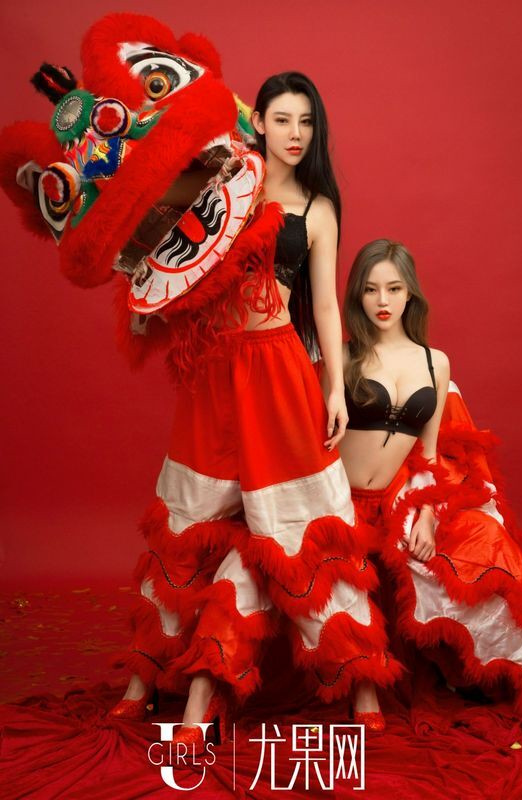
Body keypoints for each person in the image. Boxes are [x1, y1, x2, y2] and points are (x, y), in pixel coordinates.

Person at [109, 76, 402, 743]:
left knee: (310, 525)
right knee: (186, 522)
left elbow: (323, 305)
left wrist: (333, 389)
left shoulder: (319, 208)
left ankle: (362, 681)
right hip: (213, 372)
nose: (295, 133)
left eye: (306, 121)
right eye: (282, 119)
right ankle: (141, 679)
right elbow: (165, 250)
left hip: (279, 368)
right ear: (258, 122)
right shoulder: (224, 182)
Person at [335, 238, 522, 721]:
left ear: (410, 295)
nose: (382, 301)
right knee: (344, 573)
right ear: (357, 296)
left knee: (487, 541)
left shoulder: (434, 362)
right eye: (370, 289)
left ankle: (506, 673)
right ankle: (363, 691)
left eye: (393, 288)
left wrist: (425, 514)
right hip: (338, 495)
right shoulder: (342, 357)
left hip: (395, 497)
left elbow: (428, 453)